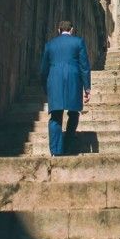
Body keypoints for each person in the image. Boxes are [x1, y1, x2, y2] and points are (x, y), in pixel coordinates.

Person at [39, 20, 91, 156]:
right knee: (73, 113)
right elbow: (84, 66)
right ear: (72, 30)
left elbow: (44, 69)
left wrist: (45, 87)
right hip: (73, 80)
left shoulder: (50, 45)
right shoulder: (78, 42)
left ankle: (56, 151)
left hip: (54, 81)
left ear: (58, 30)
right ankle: (68, 144)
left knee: (55, 116)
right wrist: (87, 88)